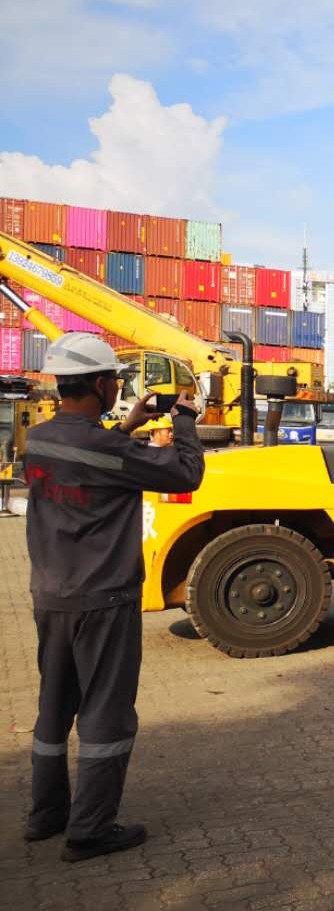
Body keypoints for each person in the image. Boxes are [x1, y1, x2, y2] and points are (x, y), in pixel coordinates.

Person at [23, 334, 204, 862]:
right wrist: (185, 420)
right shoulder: (107, 449)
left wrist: (127, 427)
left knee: (54, 707)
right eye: (115, 384)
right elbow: (185, 472)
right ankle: (91, 830)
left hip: (51, 595)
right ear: (103, 385)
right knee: (106, 713)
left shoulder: (37, 440)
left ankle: (46, 814)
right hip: (103, 599)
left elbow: (90, 461)